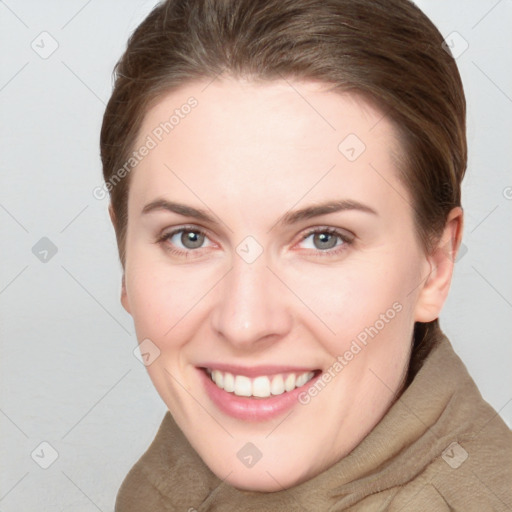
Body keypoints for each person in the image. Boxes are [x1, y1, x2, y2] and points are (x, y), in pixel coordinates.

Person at [100, 0, 512, 510]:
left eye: (324, 238)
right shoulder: (169, 480)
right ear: (124, 256)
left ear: (436, 264)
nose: (245, 323)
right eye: (189, 237)